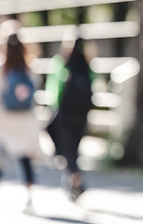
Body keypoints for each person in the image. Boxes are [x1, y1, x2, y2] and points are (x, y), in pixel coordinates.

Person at [45, 33, 94, 201]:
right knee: (74, 148)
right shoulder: (87, 64)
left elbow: (54, 89)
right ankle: (71, 182)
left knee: (67, 149)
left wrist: (53, 107)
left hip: (65, 113)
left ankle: (76, 177)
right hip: (82, 113)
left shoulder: (62, 63)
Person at [0, 31, 43, 211]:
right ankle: (29, 197)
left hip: (6, 120)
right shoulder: (29, 67)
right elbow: (36, 90)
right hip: (26, 119)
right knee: (25, 159)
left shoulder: (3, 67)